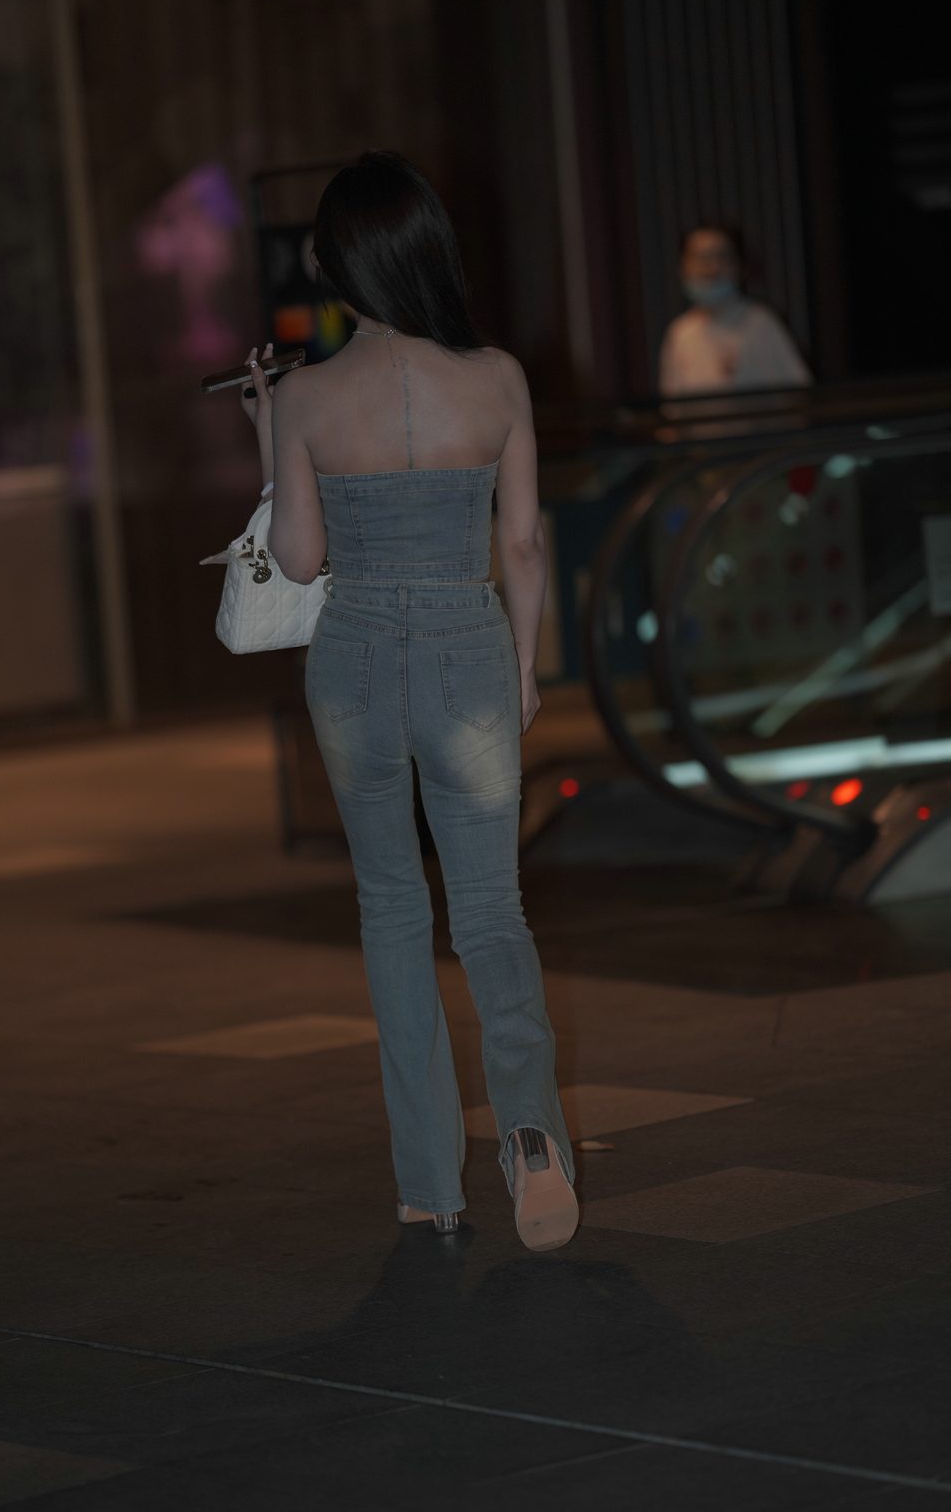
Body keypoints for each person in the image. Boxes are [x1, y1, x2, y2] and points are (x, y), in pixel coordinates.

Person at [239, 151, 578, 1253]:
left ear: (338, 268)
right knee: (490, 913)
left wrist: (269, 435)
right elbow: (521, 544)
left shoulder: (305, 395)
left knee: (391, 907)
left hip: (352, 668)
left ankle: (430, 1183)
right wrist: (520, 665)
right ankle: (532, 1141)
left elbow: (299, 558)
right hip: (463, 650)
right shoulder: (497, 379)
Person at [658, 224, 812, 397]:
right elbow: (672, 404)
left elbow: (800, 393)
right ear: (683, 267)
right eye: (700, 257)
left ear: (739, 265)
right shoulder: (680, 333)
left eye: (721, 256)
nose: (711, 267)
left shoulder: (762, 323)